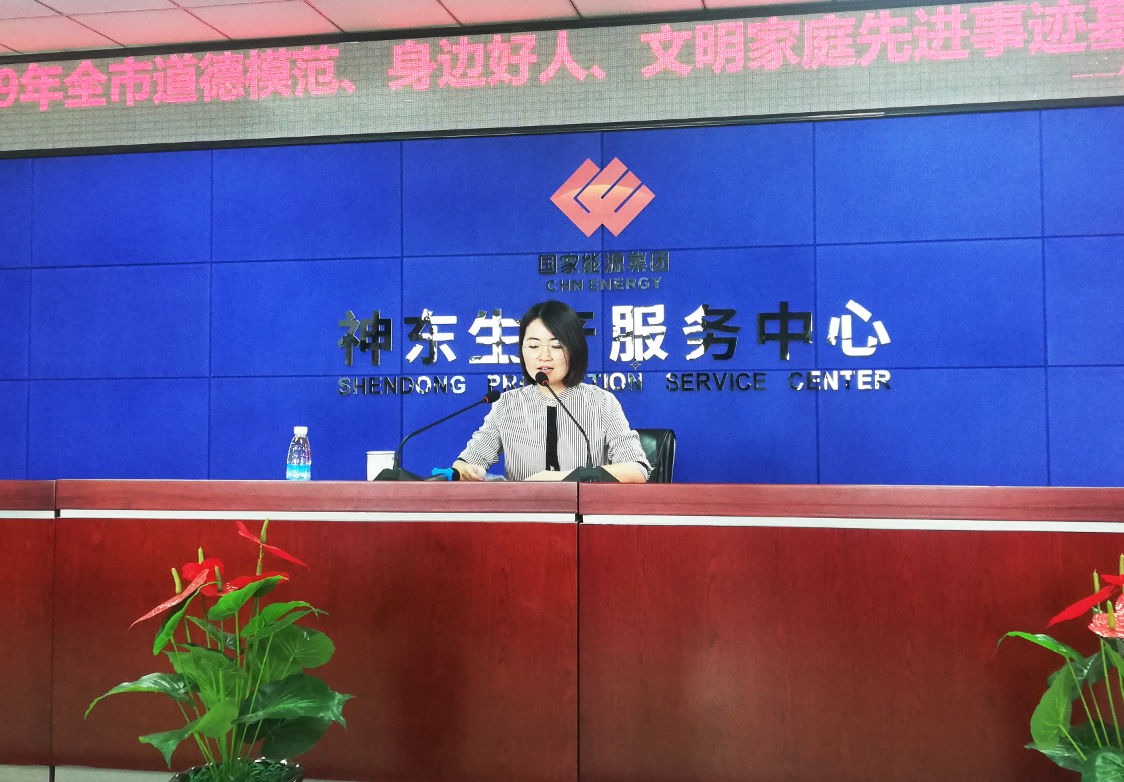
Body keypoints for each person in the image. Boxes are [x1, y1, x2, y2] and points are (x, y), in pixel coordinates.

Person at [452, 300, 650, 482]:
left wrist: (565, 477)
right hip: (523, 509)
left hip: (584, 509)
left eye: (556, 346)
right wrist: (467, 470)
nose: (544, 356)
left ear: (574, 349)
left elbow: (637, 469)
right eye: (533, 345)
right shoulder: (507, 404)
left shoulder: (601, 402)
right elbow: (466, 463)